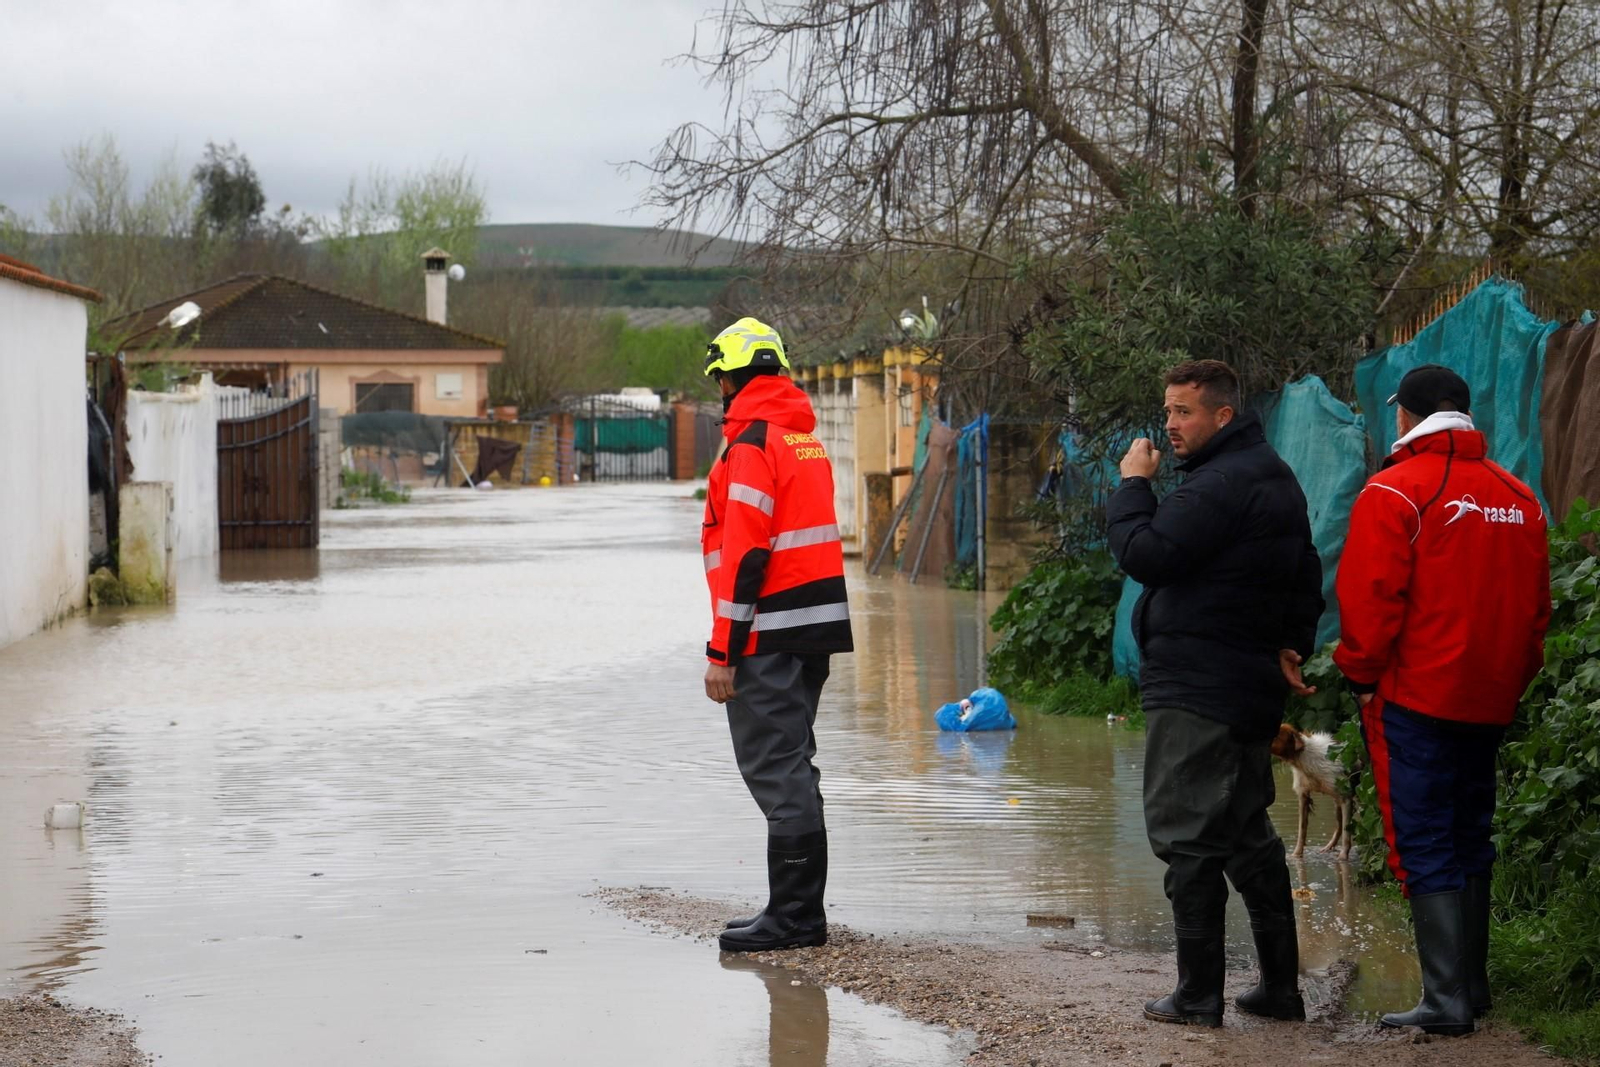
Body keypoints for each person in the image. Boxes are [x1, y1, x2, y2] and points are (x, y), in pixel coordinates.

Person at [1334, 363, 1550, 1036]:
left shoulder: (1395, 491)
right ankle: (1471, 987)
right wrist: (1509, 681)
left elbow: (1370, 602)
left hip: (1416, 696)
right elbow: (1537, 612)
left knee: (1422, 836)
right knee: (1469, 833)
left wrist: (1359, 672)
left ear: (1407, 415)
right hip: (1490, 697)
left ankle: (1445, 999)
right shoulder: (1521, 497)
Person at [1106, 359, 1324, 1028]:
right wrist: (1291, 641)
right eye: (1168, 411)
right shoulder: (1272, 476)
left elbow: (1146, 554)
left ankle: (1197, 994)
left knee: (1187, 833)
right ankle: (1279, 990)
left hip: (1200, 686)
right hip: (1246, 682)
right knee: (1242, 831)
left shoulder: (1221, 484)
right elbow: (1306, 570)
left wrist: (1132, 487)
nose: (1170, 425)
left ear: (1222, 415)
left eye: (1184, 412)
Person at [699, 317, 853, 953]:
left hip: (767, 630)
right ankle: (794, 912)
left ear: (731, 378)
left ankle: (794, 920)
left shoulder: (752, 444)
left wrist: (721, 649)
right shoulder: (802, 440)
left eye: (721, 378)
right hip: (812, 627)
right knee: (794, 763)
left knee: (776, 767)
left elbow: (745, 554)